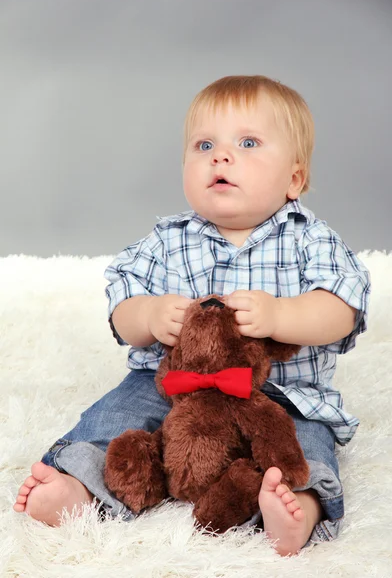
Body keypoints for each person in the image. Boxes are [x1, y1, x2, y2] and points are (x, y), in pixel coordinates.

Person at [13, 75, 370, 556]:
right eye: (204, 145)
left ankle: (295, 510)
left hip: (282, 395)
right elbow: (122, 310)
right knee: (120, 418)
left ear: (294, 179)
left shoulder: (311, 238)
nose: (221, 156)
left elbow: (341, 308)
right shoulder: (168, 239)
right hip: (174, 389)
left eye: (247, 143)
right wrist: (149, 315)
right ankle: (78, 487)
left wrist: (282, 314)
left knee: (304, 448)